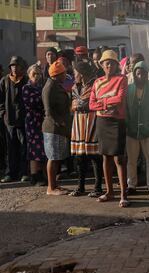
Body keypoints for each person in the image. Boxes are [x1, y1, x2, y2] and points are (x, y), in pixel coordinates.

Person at [89, 49, 129, 207]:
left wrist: (102, 102)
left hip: (117, 121)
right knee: (105, 156)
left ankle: (123, 194)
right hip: (102, 122)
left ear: (116, 65)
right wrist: (107, 103)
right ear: (102, 65)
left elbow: (120, 99)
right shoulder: (97, 82)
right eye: (107, 64)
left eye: (112, 63)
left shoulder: (122, 79)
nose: (109, 66)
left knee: (119, 158)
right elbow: (91, 104)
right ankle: (109, 191)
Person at [125, 61, 149, 199]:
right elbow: (126, 110)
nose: (140, 76)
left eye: (143, 73)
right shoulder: (128, 89)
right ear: (134, 75)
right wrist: (128, 124)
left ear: (147, 75)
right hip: (132, 130)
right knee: (132, 160)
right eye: (138, 73)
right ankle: (131, 185)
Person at [69, 61, 103, 197]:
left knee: (94, 156)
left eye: (75, 73)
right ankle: (80, 187)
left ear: (81, 74)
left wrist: (80, 105)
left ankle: (98, 187)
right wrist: (79, 105)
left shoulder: (96, 84)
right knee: (80, 157)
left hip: (92, 122)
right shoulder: (75, 87)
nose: (74, 75)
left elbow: (94, 103)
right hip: (78, 123)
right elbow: (72, 104)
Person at [0, 56, 29, 183]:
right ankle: (10, 173)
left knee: (24, 147)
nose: (15, 68)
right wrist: (2, 113)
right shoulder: (4, 81)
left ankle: (24, 172)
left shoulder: (26, 81)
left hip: (23, 120)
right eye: (13, 66)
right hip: (9, 121)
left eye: (17, 65)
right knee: (10, 149)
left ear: (22, 68)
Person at [42, 60, 72, 195]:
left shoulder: (56, 85)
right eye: (64, 72)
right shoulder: (49, 87)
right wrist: (61, 122)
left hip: (58, 129)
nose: (66, 74)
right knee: (53, 157)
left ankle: (55, 185)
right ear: (58, 74)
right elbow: (48, 111)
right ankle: (51, 188)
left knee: (57, 157)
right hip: (53, 129)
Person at [22, 64, 47, 186]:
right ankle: (34, 175)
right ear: (29, 75)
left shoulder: (41, 87)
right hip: (32, 121)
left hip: (41, 120)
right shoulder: (26, 88)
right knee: (33, 148)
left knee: (41, 148)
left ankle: (41, 174)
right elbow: (32, 103)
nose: (36, 76)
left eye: (38, 74)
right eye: (34, 74)